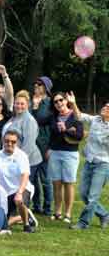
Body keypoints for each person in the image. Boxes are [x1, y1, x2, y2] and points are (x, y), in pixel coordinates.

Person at [71, 99, 109, 229]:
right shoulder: (96, 119)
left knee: (93, 196)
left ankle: (83, 223)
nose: (104, 107)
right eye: (105, 105)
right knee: (83, 194)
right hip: (89, 162)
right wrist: (74, 102)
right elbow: (79, 116)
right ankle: (104, 214)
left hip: (103, 164)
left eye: (107, 107)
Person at [47, 91, 84, 223]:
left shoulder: (75, 115)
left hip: (70, 153)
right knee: (56, 183)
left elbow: (79, 135)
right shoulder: (54, 116)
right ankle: (57, 212)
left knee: (68, 183)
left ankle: (67, 214)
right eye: (55, 102)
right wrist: (49, 149)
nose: (58, 103)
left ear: (66, 100)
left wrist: (67, 129)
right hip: (55, 153)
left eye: (61, 100)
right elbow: (52, 135)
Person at [0, 130, 38, 233]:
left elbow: (25, 175)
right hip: (5, 193)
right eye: (7, 141)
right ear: (3, 141)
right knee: (1, 224)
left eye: (13, 142)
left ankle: (26, 225)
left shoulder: (22, 156)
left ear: (17, 143)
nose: (9, 144)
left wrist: (20, 193)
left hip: (21, 188)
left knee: (19, 201)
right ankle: (22, 217)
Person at [2, 90, 42, 175]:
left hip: (27, 162)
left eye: (22, 104)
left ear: (28, 105)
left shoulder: (29, 120)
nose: (19, 106)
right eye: (17, 103)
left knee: (25, 187)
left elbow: (29, 145)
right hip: (11, 158)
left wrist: (18, 161)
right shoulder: (14, 117)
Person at [30, 76, 54, 216]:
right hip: (32, 145)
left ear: (46, 88)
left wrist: (51, 147)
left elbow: (48, 124)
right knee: (32, 178)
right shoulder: (30, 101)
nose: (36, 86)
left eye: (40, 84)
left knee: (45, 179)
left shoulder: (50, 103)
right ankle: (36, 206)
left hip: (45, 145)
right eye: (35, 83)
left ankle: (48, 208)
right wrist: (33, 105)